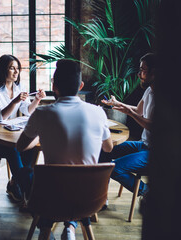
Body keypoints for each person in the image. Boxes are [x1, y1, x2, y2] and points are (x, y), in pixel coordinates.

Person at [16, 59, 113, 240]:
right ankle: (70, 226)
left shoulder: (42, 114)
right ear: (81, 85)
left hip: (51, 197)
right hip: (89, 199)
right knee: (74, 184)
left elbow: (20, 146)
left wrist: (41, 132)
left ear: (54, 86)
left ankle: (45, 227)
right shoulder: (98, 112)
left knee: (24, 172)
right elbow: (108, 148)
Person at [0, 54, 46, 202]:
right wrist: (15, 100)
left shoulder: (19, 87)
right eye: (12, 68)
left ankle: (16, 183)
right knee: (13, 149)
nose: (16, 72)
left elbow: (27, 110)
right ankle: (28, 189)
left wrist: (37, 99)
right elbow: (0, 117)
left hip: (10, 130)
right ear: (2, 70)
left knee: (29, 145)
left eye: (17, 68)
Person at [99, 53, 156, 202]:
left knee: (114, 168)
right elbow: (138, 111)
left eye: (143, 70)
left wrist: (130, 113)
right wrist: (118, 104)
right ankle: (99, 197)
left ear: (155, 72)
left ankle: (147, 192)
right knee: (105, 149)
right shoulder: (149, 90)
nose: (139, 74)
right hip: (143, 145)